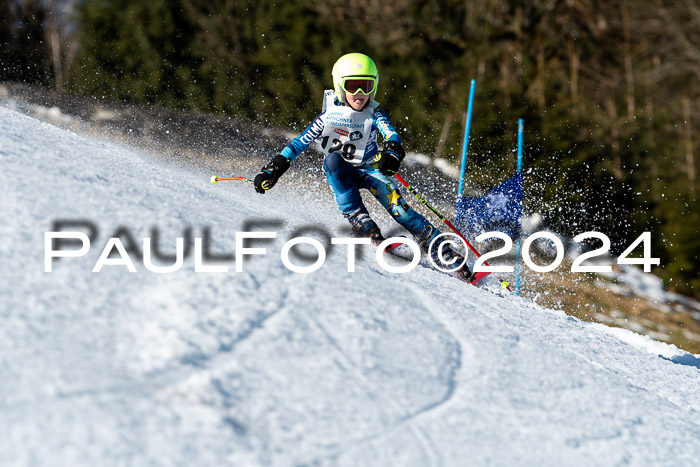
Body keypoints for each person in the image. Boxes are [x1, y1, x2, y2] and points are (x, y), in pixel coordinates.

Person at [253, 52, 472, 281]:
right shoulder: (329, 115)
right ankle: (359, 217)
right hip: (343, 173)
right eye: (353, 86)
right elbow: (299, 143)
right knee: (333, 160)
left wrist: (392, 153)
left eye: (366, 87)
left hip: (370, 169)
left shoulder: (374, 113)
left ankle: (443, 252)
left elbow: (391, 135)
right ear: (340, 86)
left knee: (402, 211)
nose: (360, 94)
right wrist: (274, 168)